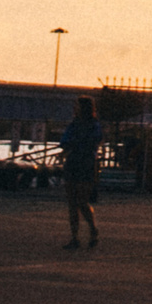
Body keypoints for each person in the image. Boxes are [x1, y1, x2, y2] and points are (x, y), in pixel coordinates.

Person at [61, 95, 102, 250]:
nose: (75, 108)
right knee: (72, 202)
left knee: (82, 201)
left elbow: (94, 140)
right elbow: (65, 141)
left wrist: (74, 143)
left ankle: (93, 229)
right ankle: (74, 237)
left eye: (77, 105)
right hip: (73, 161)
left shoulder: (93, 125)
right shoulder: (74, 124)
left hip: (86, 163)